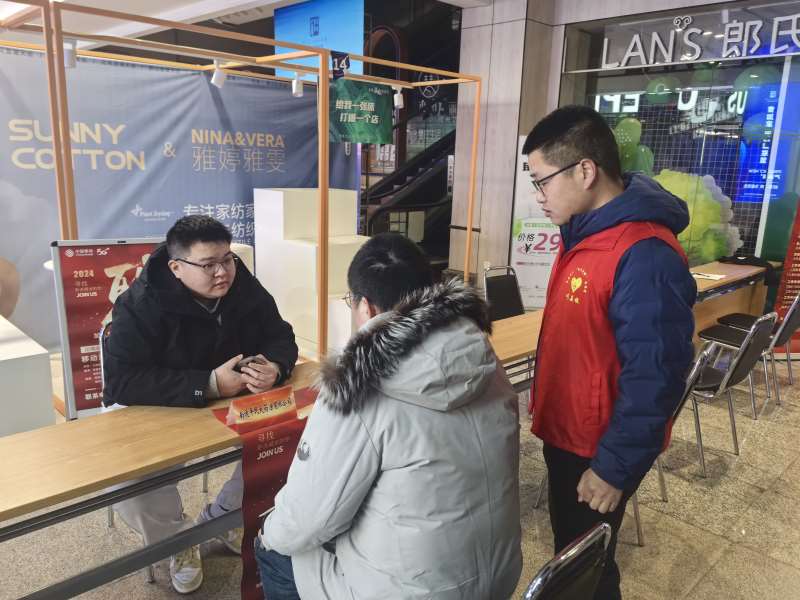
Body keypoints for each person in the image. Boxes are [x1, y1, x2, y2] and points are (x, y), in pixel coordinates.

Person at [254, 233, 522, 599]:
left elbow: (309, 517)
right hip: (500, 575)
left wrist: (269, 530)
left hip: (414, 593)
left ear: (366, 307)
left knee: (274, 547)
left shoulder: (357, 385)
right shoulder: (481, 354)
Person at [523, 105, 696, 599]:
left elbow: (657, 374)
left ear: (585, 170)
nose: (539, 196)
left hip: (596, 447)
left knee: (585, 570)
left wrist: (613, 467)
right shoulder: (586, 232)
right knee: (579, 558)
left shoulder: (643, 253)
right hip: (570, 431)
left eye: (542, 181)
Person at [102, 215, 298, 594]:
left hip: (230, 400)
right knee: (130, 483)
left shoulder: (240, 284)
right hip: (158, 407)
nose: (222, 273)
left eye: (227, 259)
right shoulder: (139, 304)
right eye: (208, 265)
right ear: (176, 267)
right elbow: (122, 382)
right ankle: (178, 541)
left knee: (286, 437)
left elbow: (280, 334)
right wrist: (207, 384)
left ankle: (225, 517)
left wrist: (275, 366)